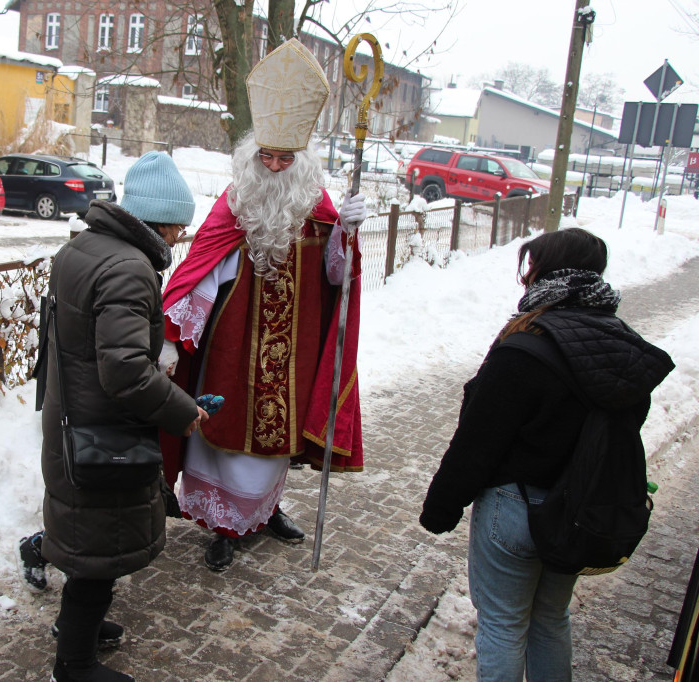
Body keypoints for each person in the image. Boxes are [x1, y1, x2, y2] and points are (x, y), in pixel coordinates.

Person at [419, 228, 674, 681]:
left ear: (548, 273)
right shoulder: (621, 344)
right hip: (576, 510)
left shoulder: (524, 346)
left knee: (502, 624)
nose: (525, 277)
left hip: (513, 510)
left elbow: (477, 442)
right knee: (551, 619)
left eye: (531, 267)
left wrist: (442, 506)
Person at [159, 38, 368, 572]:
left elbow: (337, 279)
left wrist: (346, 233)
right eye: (267, 156)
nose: (274, 167)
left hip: (294, 346)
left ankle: (265, 509)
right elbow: (202, 269)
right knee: (223, 432)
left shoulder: (317, 205)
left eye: (285, 158)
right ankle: (223, 525)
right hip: (232, 344)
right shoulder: (235, 202)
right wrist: (178, 327)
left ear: (302, 161)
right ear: (252, 156)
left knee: (279, 436)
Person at [36, 151, 208, 682]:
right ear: (160, 218)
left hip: (72, 422)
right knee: (101, 549)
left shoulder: (85, 247)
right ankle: (76, 664)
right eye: (180, 224)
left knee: (86, 539)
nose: (181, 235)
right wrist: (185, 413)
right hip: (101, 434)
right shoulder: (130, 269)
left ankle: (76, 627)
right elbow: (127, 373)